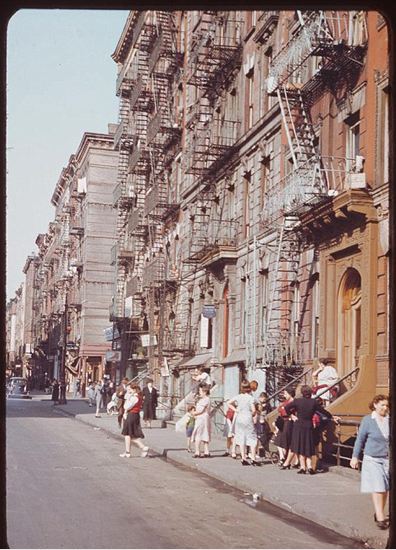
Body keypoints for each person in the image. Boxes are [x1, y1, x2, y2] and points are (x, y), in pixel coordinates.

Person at [350, 395, 389, 530]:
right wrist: (355, 457)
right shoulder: (368, 420)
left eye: (387, 405)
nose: (385, 408)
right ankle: (380, 517)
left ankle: (378, 512)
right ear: (375, 404)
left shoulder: (390, 420)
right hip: (372, 458)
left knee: (385, 490)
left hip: (387, 459)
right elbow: (360, 439)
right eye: (383, 405)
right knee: (378, 487)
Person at [280, 385, 334, 474]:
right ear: (310, 393)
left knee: (300, 446)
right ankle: (309, 467)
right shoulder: (314, 402)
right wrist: (331, 417)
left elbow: (286, 408)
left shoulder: (298, 401)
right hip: (308, 425)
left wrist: (292, 415)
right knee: (307, 446)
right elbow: (323, 411)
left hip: (298, 425)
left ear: (302, 393)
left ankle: (303, 467)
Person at [227, 381, 258, 466]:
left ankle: (243, 458)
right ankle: (253, 458)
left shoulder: (238, 397)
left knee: (241, 437)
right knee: (252, 438)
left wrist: (235, 410)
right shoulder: (250, 398)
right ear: (249, 388)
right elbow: (253, 410)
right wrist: (253, 413)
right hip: (247, 418)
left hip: (239, 418)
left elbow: (228, 403)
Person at [120, 384, 149, 458]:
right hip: (135, 415)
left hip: (131, 415)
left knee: (127, 434)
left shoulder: (134, 398)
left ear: (134, 390)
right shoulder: (138, 397)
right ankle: (128, 452)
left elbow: (126, 406)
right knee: (130, 434)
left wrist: (128, 398)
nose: (129, 391)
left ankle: (142, 447)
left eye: (131, 390)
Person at [272, 388, 296, 464]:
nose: (284, 395)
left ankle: (285, 458)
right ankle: (282, 457)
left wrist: (283, 409)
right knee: (278, 440)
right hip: (282, 422)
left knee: (286, 440)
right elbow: (280, 409)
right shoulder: (286, 402)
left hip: (288, 421)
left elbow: (285, 411)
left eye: (286, 393)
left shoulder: (293, 402)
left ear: (290, 394)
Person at [191, 384, 211, 458]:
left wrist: (193, 413)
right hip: (204, 418)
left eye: (200, 391)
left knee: (198, 434)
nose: (199, 393)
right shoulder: (204, 399)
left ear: (204, 392)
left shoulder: (205, 399)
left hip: (201, 418)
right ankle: (206, 451)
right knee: (205, 433)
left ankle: (197, 452)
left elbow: (200, 410)